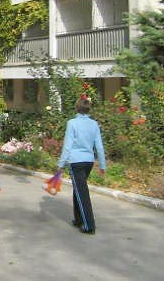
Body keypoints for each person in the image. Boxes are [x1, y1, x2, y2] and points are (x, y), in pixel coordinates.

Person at [56, 96, 106, 235]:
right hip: (88, 162)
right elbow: (99, 146)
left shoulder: (72, 123)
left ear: (77, 108)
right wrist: (102, 165)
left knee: (81, 192)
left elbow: (68, 145)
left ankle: (89, 225)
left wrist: (61, 164)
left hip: (76, 161)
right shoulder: (94, 124)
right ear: (88, 109)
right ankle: (78, 219)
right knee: (78, 189)